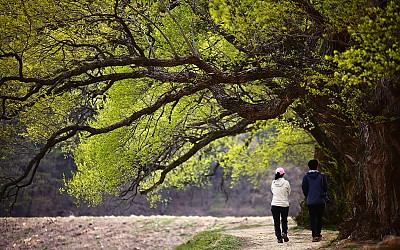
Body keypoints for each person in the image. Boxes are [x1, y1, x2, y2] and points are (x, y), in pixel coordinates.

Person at [301, 159, 328, 242]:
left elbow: (304, 188)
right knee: (319, 217)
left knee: (312, 218)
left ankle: (314, 235)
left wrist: (308, 196)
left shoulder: (306, 177)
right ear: (317, 166)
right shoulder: (322, 176)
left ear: (309, 167)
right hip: (320, 200)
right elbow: (325, 188)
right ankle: (318, 233)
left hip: (310, 201)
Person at [271, 167, 291, 243]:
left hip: (274, 204)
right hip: (284, 204)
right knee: (284, 220)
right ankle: (284, 233)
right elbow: (289, 192)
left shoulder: (273, 183)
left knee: (276, 221)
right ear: (283, 174)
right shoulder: (286, 183)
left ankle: (279, 238)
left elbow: (273, 191)